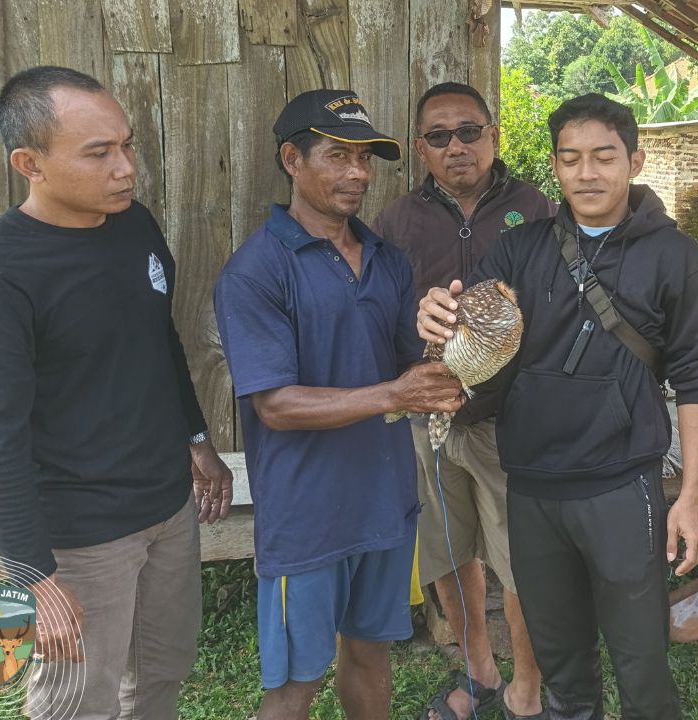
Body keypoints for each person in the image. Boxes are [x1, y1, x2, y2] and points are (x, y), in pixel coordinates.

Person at [0, 65, 233, 719]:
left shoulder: (133, 225)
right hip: (81, 538)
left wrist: (196, 440)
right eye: (99, 153)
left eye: (127, 145)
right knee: (79, 702)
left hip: (167, 506)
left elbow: (159, 343)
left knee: (159, 677)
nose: (125, 168)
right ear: (30, 163)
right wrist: (35, 577)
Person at [418, 93, 698, 720]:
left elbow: (695, 378)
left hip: (621, 487)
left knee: (641, 662)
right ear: (554, 166)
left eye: (604, 157)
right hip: (532, 487)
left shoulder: (674, 256)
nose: (587, 173)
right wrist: (437, 318)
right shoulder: (520, 249)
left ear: (634, 161)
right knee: (562, 668)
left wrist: (690, 497)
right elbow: (473, 329)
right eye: (571, 158)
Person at [213, 90, 464, 720]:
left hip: (384, 500)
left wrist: (453, 343)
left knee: (371, 656)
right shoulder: (256, 270)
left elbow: (412, 364)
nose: (358, 173)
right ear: (291, 159)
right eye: (338, 156)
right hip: (308, 514)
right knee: (296, 685)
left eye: (365, 158)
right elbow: (275, 405)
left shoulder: (386, 259)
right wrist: (395, 394)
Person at [375, 82, 551, 720]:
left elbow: (557, 308)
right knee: (446, 552)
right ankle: (479, 670)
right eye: (439, 136)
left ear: (493, 137)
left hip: (513, 422)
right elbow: (379, 313)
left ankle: (527, 689)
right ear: (421, 147)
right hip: (429, 419)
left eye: (470, 131)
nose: (457, 146)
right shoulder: (397, 220)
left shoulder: (535, 209)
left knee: (522, 560)